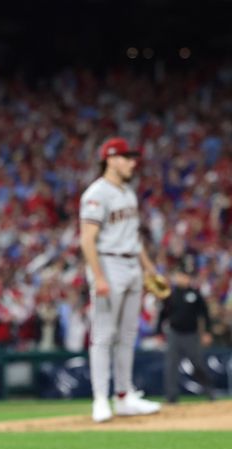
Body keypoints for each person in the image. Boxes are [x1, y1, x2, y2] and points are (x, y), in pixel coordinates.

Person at [79, 137, 162, 423]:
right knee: (103, 336)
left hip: (131, 264)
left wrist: (150, 269)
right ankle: (101, 399)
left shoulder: (128, 192)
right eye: (126, 157)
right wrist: (99, 277)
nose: (132, 162)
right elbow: (87, 240)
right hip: (108, 263)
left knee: (128, 335)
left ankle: (124, 396)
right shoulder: (96, 193)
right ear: (111, 159)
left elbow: (134, 238)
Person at [156, 255, 215, 403]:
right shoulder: (170, 295)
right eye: (181, 276)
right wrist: (158, 332)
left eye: (186, 276)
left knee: (197, 364)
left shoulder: (195, 294)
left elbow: (205, 314)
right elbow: (162, 315)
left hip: (191, 335)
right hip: (174, 334)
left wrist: (207, 331)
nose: (184, 278)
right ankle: (171, 397)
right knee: (171, 366)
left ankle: (209, 391)